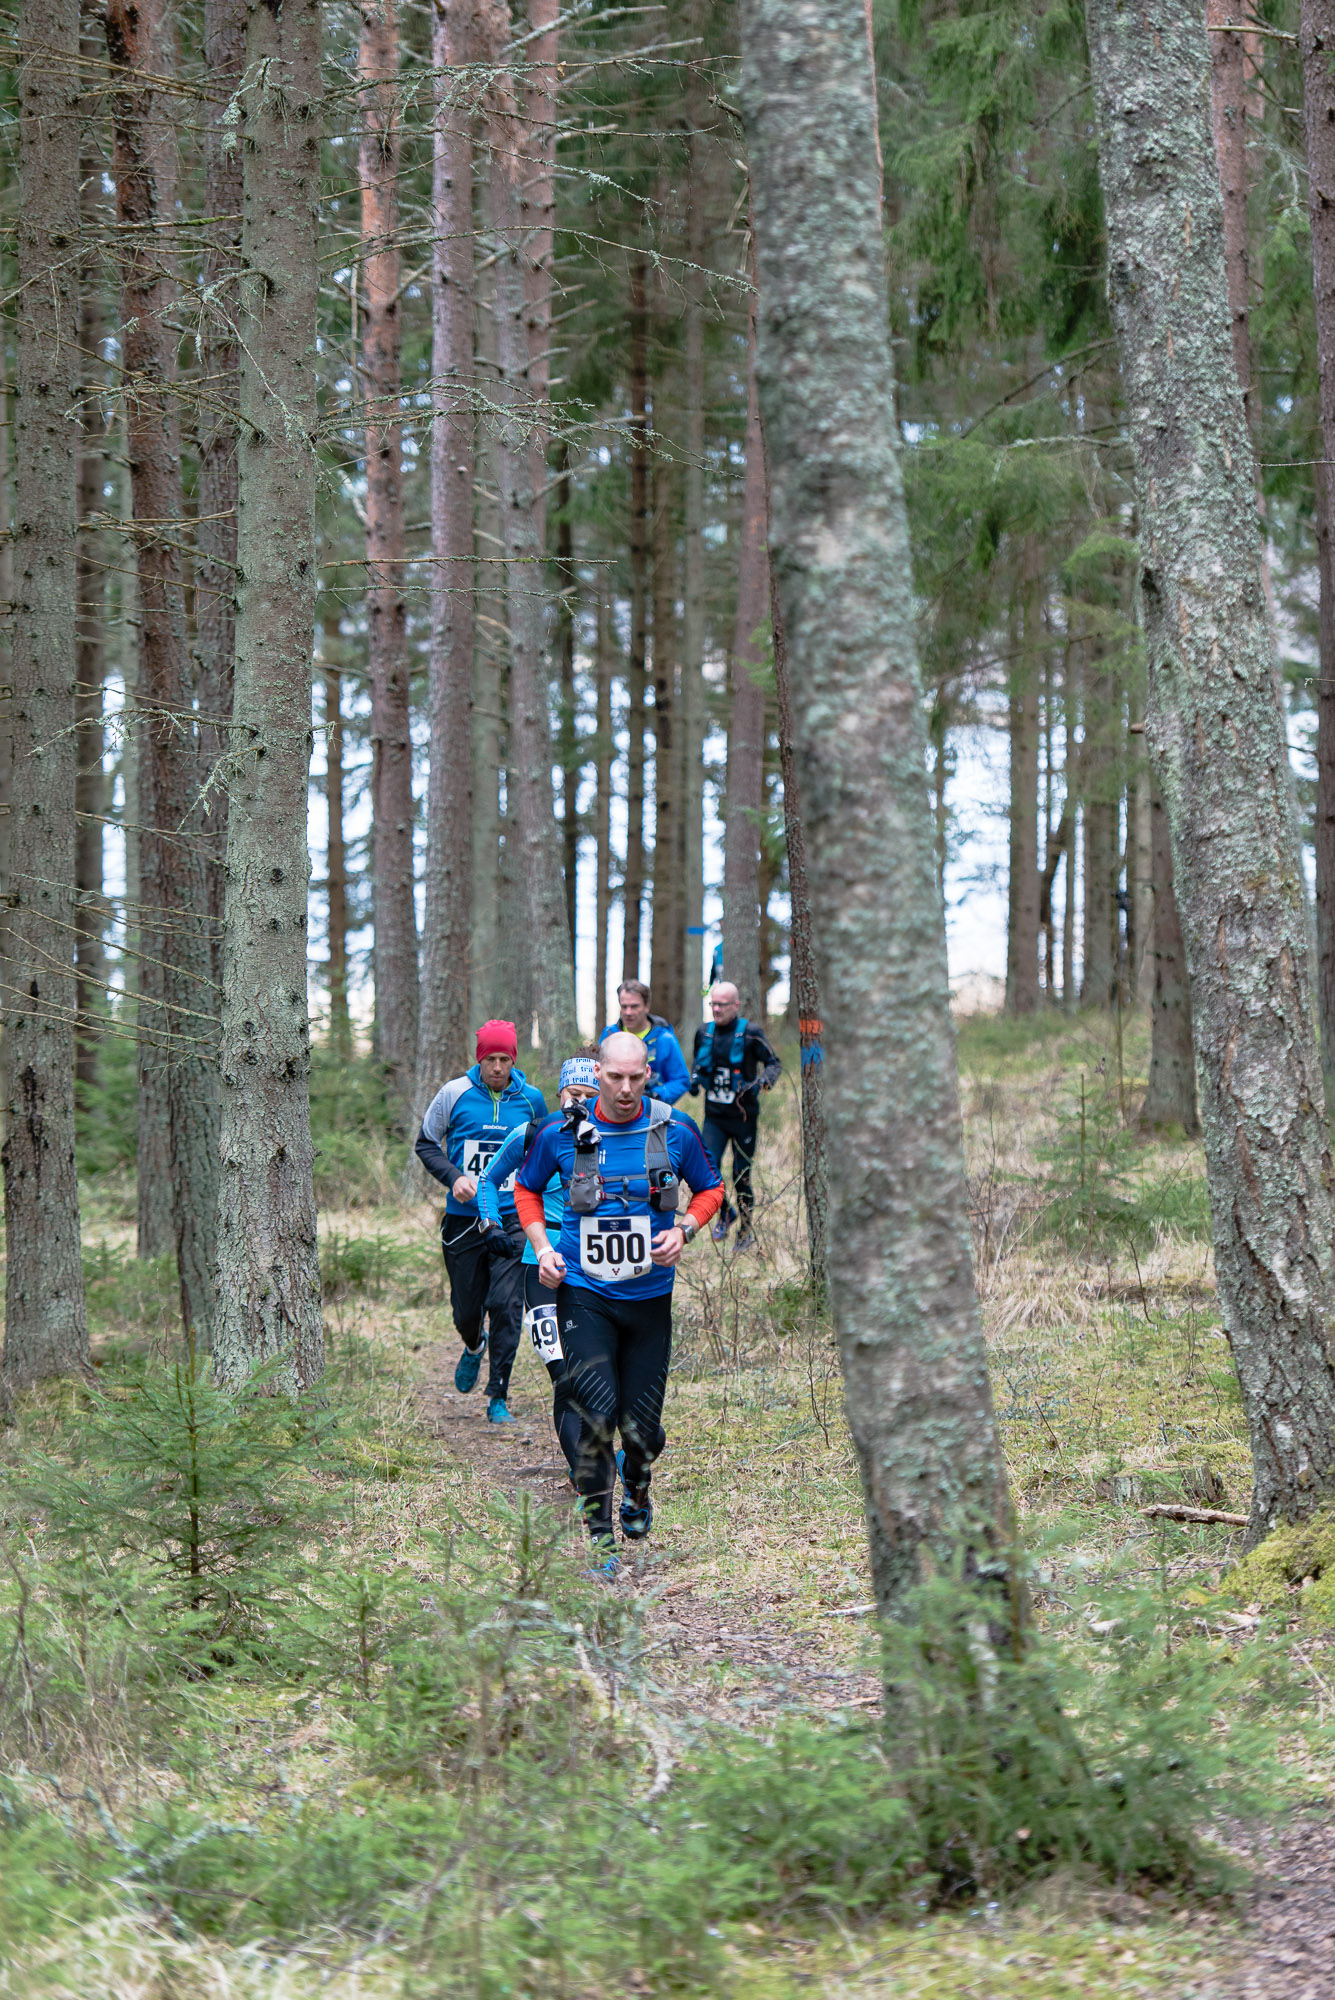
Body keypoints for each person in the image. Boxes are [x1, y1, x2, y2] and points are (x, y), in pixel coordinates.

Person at [514, 1031, 724, 1574]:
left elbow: (710, 1188)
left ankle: (638, 1484)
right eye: (615, 1077)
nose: (626, 1089)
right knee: (595, 1415)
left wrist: (686, 1229)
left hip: (650, 1300)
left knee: (642, 1431)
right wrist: (542, 1247)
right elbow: (527, 1188)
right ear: (598, 1073)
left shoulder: (674, 1128)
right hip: (585, 1295)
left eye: (636, 1077)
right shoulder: (560, 1133)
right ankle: (601, 1535)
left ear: (647, 1073)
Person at [415, 1020, 547, 1425]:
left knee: (507, 1306)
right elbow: (425, 1142)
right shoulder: (454, 1093)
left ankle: (498, 1396)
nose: (496, 1067)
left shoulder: (532, 1101)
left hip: (512, 1216)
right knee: (466, 1310)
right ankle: (474, 1344)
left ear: (513, 1060)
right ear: (479, 1059)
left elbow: (545, 1150)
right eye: (490, 1058)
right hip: (464, 1219)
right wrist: (455, 1178)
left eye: (504, 1059)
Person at [476, 1046, 600, 1479]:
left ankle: (596, 1454)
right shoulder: (534, 1134)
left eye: (589, 1094)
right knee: (563, 1376)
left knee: (595, 1377)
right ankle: (584, 1468)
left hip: (594, 1267)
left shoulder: (612, 1139)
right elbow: (488, 1179)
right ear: (559, 1092)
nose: (579, 1103)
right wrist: (490, 1224)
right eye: (572, 1094)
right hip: (539, 1263)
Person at [689, 981, 781, 1251]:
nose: (716, 1009)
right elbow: (698, 1062)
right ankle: (725, 1213)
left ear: (736, 1006)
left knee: (741, 1175)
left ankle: (745, 1230)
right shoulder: (703, 1032)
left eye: (722, 1004)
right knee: (707, 1171)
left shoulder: (750, 1033)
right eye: (713, 1004)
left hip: (743, 1118)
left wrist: (762, 1083)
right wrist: (695, 1079)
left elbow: (774, 1063)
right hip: (714, 1117)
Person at [598, 978, 691, 1104]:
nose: (628, 1012)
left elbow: (681, 1080)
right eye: (624, 1006)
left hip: (651, 1112)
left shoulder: (664, 1039)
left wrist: (655, 1096)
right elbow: (597, 1073)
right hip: (613, 1108)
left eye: (634, 1006)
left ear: (646, 1006)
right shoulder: (609, 1035)